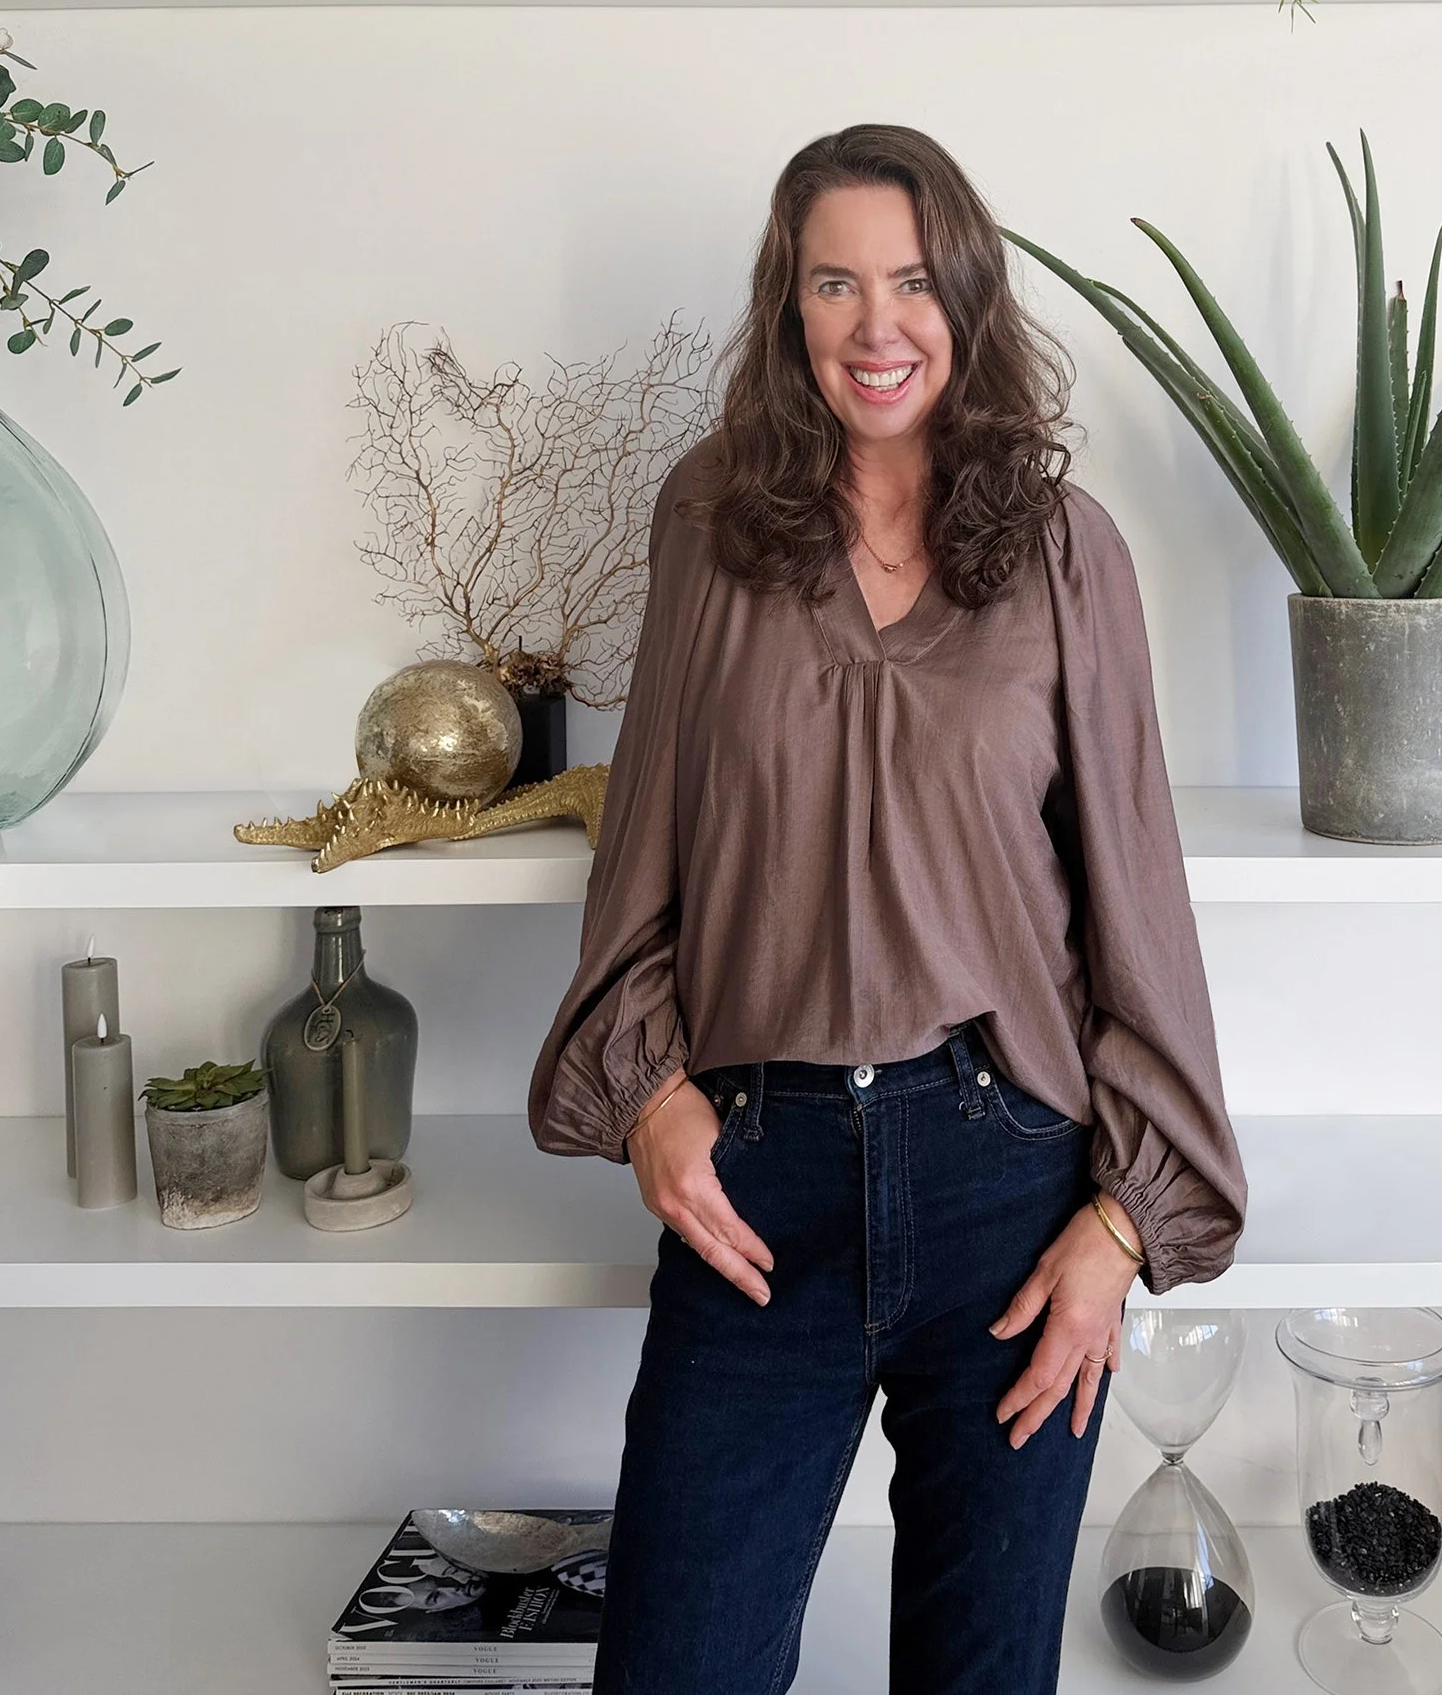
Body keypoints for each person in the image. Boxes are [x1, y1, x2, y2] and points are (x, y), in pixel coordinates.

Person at [529, 124, 1247, 1695]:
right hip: (757, 1187)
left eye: (914, 281)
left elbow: (1133, 887)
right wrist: (650, 1097)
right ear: (787, 308)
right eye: (834, 284)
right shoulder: (710, 521)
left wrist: (1123, 1224)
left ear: (966, 296)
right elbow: (643, 837)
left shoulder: (1065, 549)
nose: (877, 326)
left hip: (1008, 1185)